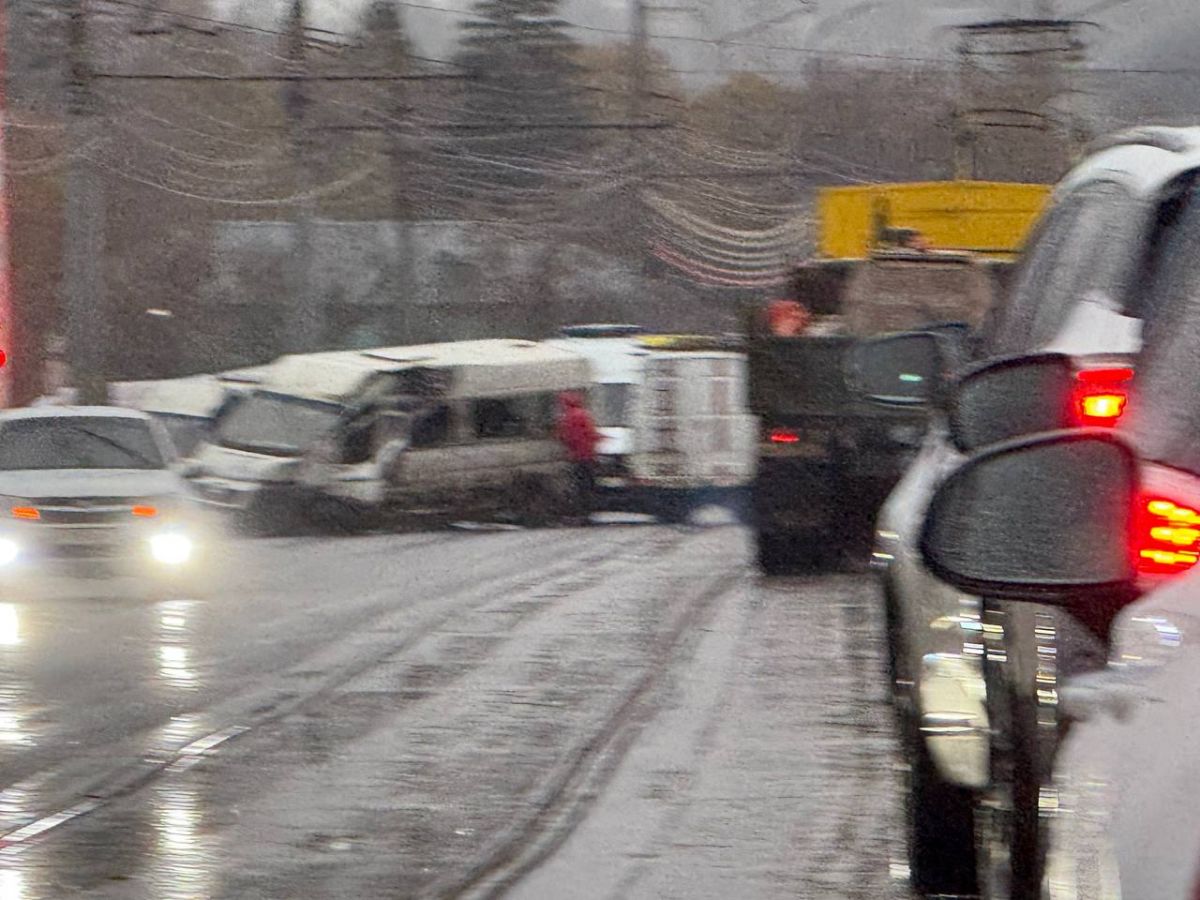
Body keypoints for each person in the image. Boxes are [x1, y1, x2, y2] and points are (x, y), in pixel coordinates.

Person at [556, 392, 600, 519]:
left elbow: (564, 436)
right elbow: (591, 434)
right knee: (587, 484)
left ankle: (579, 510)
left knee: (578, 484)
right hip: (587, 455)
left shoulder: (566, 417)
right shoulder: (583, 415)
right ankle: (587, 510)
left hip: (575, 456)